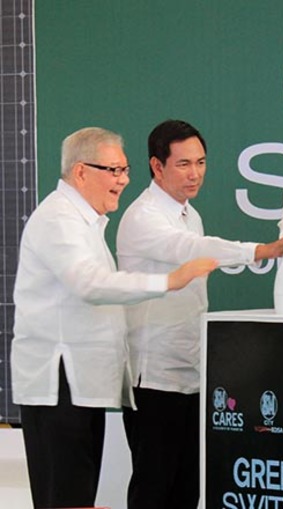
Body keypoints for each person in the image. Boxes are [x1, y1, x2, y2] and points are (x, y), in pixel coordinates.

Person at [11, 127, 217, 509]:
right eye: (114, 170)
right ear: (81, 172)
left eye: (124, 171)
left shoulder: (86, 223)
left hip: (80, 385)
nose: (123, 180)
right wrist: (169, 280)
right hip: (59, 384)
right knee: (67, 500)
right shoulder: (59, 220)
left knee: (80, 498)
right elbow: (89, 284)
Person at [116, 119, 283, 509]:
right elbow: (192, 248)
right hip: (153, 378)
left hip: (191, 373)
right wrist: (262, 250)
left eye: (201, 163)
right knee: (154, 488)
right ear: (157, 166)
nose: (195, 174)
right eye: (184, 164)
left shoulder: (190, 212)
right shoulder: (143, 217)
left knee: (188, 488)